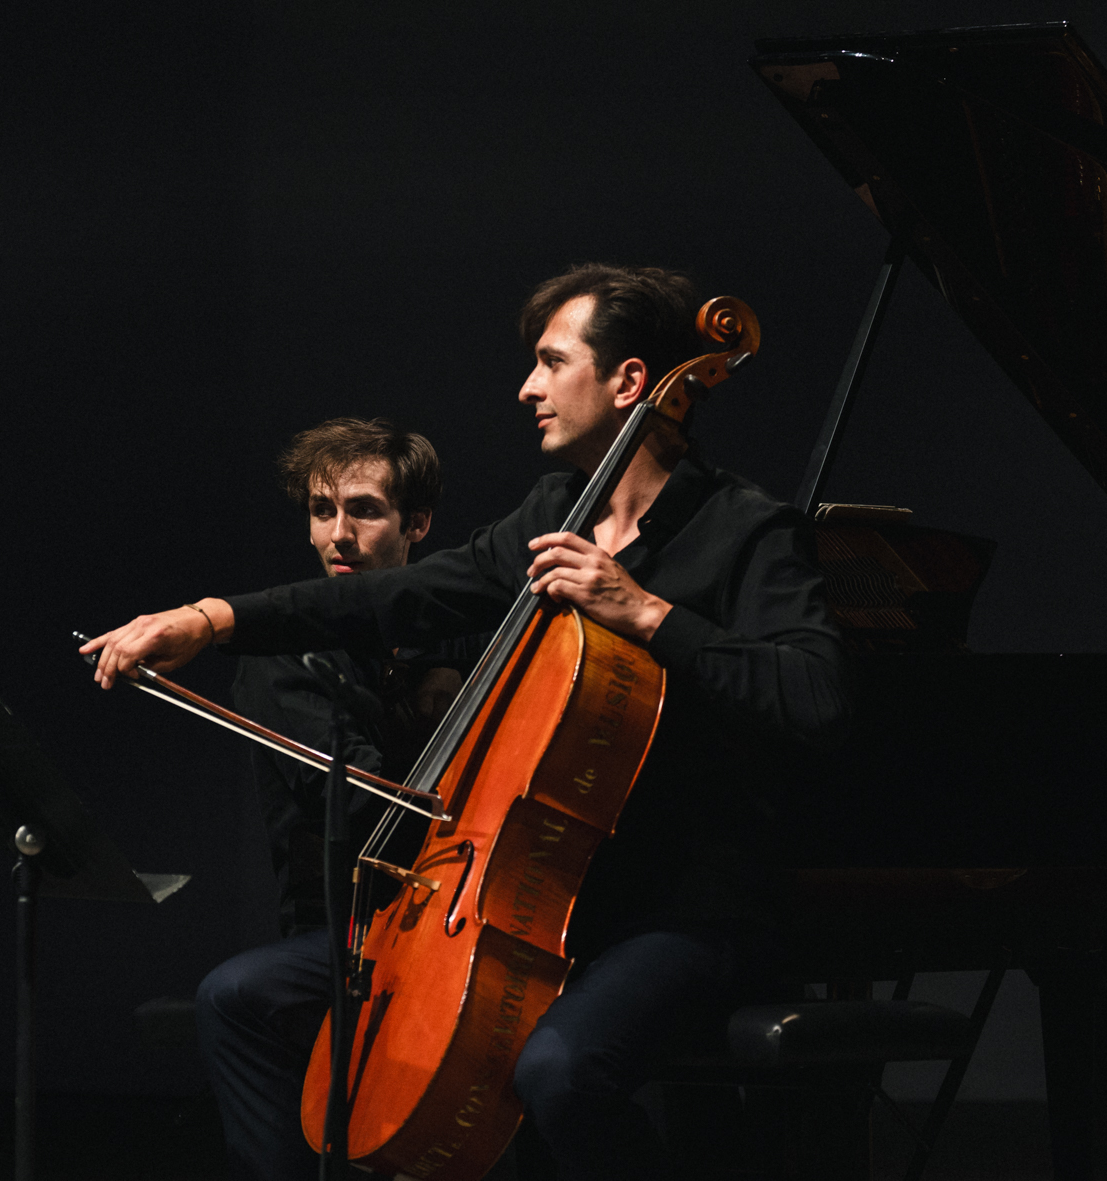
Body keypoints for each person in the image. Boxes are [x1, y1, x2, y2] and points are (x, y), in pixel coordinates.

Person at [82, 264, 850, 1180]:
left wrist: (646, 614)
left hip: (676, 909)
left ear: (631, 381)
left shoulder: (746, 529)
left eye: (550, 362)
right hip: (528, 898)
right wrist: (209, 620)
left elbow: (816, 696)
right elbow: (389, 599)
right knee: (244, 996)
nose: (527, 387)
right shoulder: (548, 517)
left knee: (560, 1069)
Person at [234, 417, 467, 935]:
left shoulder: (460, 632)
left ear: (417, 524)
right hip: (343, 931)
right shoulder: (282, 653)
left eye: (363, 510)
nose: (338, 535)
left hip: (465, 906)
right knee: (230, 994)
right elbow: (360, 804)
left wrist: (447, 665)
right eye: (322, 512)